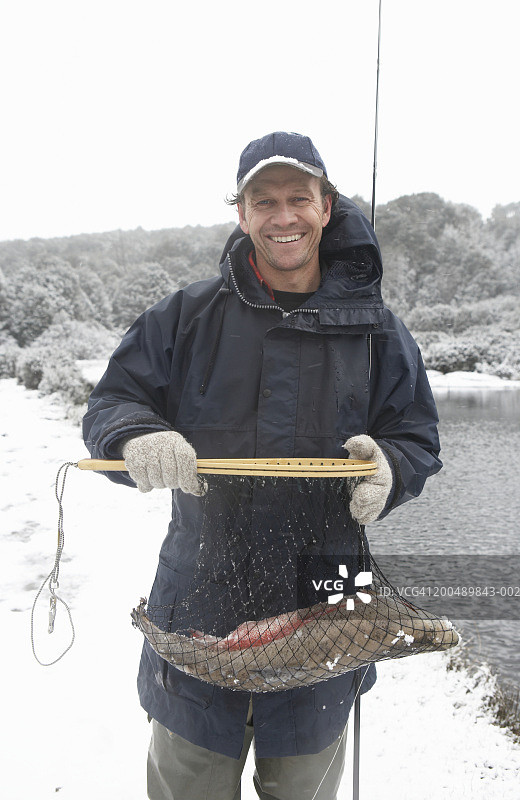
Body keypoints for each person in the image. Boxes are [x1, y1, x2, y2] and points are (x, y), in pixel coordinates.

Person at [83, 131, 442, 800]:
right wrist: (134, 438)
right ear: (241, 214)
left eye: (299, 198)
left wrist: (392, 468)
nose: (284, 217)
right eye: (263, 201)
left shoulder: (379, 330)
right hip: (201, 585)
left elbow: (417, 435)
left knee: (305, 779)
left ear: (326, 208)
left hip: (335, 590)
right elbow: (112, 404)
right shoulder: (182, 318)